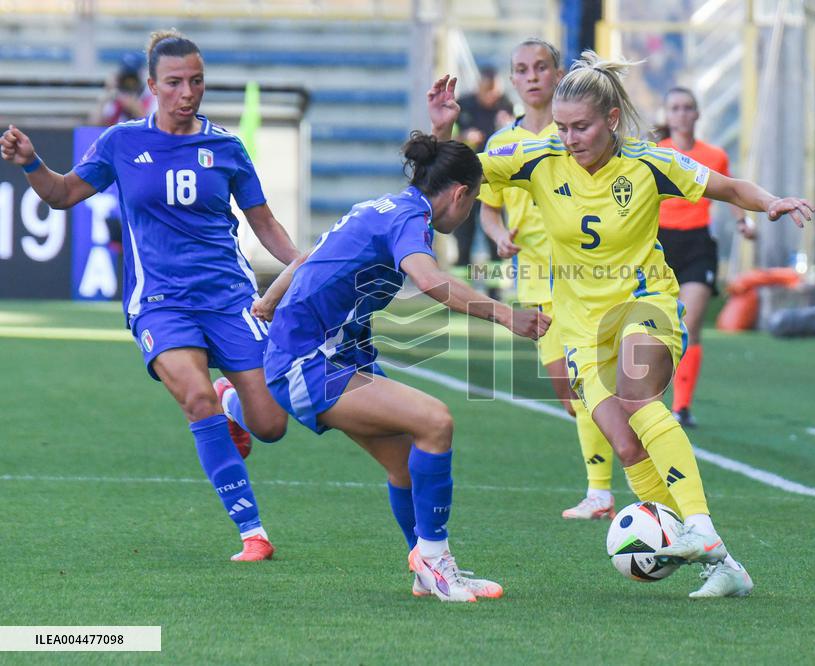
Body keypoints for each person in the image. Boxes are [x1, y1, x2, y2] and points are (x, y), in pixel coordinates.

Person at [428, 52, 813, 598]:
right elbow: (457, 170)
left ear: (610, 120)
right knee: (628, 449)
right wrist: (442, 128)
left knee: (638, 398)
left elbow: (726, 187)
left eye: (580, 126)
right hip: (580, 327)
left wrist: (772, 202)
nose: (568, 137)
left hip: (645, 303)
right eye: (561, 127)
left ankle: (698, 526)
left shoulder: (649, 163)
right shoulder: (536, 158)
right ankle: (722, 565)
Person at [1, 30, 298, 562]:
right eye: (176, 82)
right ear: (152, 87)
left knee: (272, 425)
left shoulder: (226, 146)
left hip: (231, 298)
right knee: (194, 398)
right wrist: (30, 163)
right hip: (160, 300)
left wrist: (300, 265)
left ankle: (234, 400)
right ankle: (253, 532)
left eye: (197, 80)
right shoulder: (122, 142)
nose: (188, 92)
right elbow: (64, 193)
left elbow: (264, 223)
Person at [246, 132, 550, 602]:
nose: (469, 213)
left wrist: (269, 299)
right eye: (473, 203)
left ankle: (428, 566)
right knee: (435, 421)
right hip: (308, 363)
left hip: (327, 355)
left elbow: (311, 257)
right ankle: (434, 561)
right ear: (459, 194)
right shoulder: (412, 218)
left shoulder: (385, 206)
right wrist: (506, 313)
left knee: (407, 462)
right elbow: (429, 280)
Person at [479, 38, 617, 521]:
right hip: (535, 281)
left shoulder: (574, 136)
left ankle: (602, 490)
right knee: (568, 391)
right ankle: (620, 459)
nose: (532, 75)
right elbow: (489, 210)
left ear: (559, 75)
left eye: (541, 67)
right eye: (522, 69)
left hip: (585, 276)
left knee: (586, 384)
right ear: (513, 80)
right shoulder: (501, 146)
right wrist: (499, 238)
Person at [654, 87, 753, 428]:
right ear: (666, 115)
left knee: (689, 324)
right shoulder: (655, 153)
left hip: (697, 243)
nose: (681, 114)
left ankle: (681, 407)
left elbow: (730, 191)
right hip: (659, 244)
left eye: (688, 108)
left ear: (697, 115)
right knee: (656, 327)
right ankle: (650, 400)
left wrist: (744, 222)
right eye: (675, 108)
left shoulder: (714, 155)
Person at [453, 66, 515, 272]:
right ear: (479, 87)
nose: (492, 96)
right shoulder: (463, 106)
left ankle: (495, 294)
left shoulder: (508, 106)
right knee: (464, 238)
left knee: (495, 241)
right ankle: (461, 294)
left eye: (495, 91)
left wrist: (509, 127)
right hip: (466, 182)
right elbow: (445, 142)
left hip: (496, 182)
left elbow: (522, 138)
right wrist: (465, 138)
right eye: (488, 91)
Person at [91, 52, 156, 126]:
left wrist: (132, 106)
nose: (129, 82)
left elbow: (152, 125)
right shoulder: (115, 93)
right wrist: (106, 95)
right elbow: (95, 124)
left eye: (133, 77)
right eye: (126, 77)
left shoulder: (150, 94)